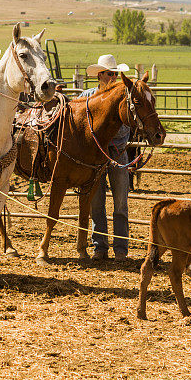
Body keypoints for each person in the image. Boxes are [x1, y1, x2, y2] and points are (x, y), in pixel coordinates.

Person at [81, 55, 132, 261]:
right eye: (109, 74)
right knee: (96, 202)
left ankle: (120, 248)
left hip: (117, 154)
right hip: (94, 157)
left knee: (120, 202)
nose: (113, 78)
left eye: (115, 74)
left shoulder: (122, 98)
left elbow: (124, 129)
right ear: (100, 75)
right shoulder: (87, 97)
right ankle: (99, 246)